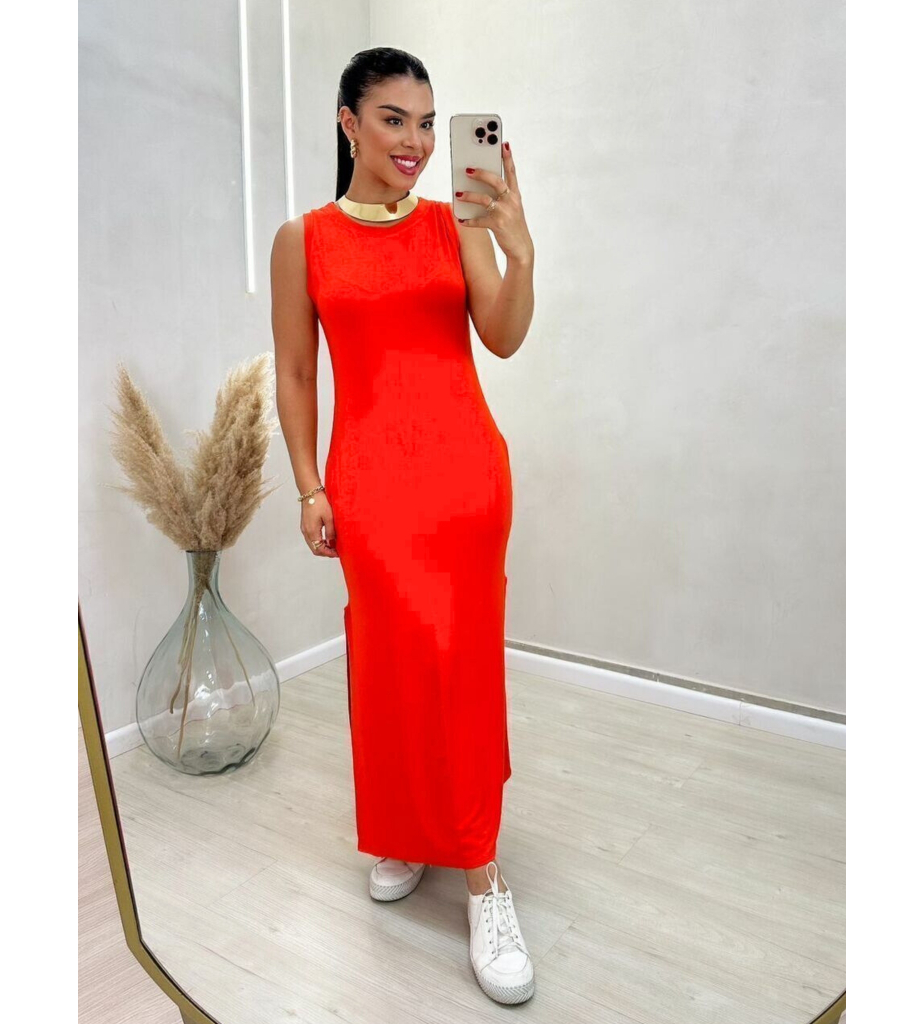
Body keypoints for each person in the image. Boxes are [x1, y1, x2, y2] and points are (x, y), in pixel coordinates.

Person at [270, 47, 535, 1004]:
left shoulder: (453, 221)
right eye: (394, 119)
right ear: (348, 122)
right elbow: (295, 372)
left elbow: (502, 334)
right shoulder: (303, 240)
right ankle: (407, 832)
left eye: (427, 122)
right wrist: (309, 486)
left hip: (465, 477)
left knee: (460, 665)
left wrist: (518, 247)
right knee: (388, 662)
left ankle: (484, 876)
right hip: (370, 485)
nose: (417, 142)